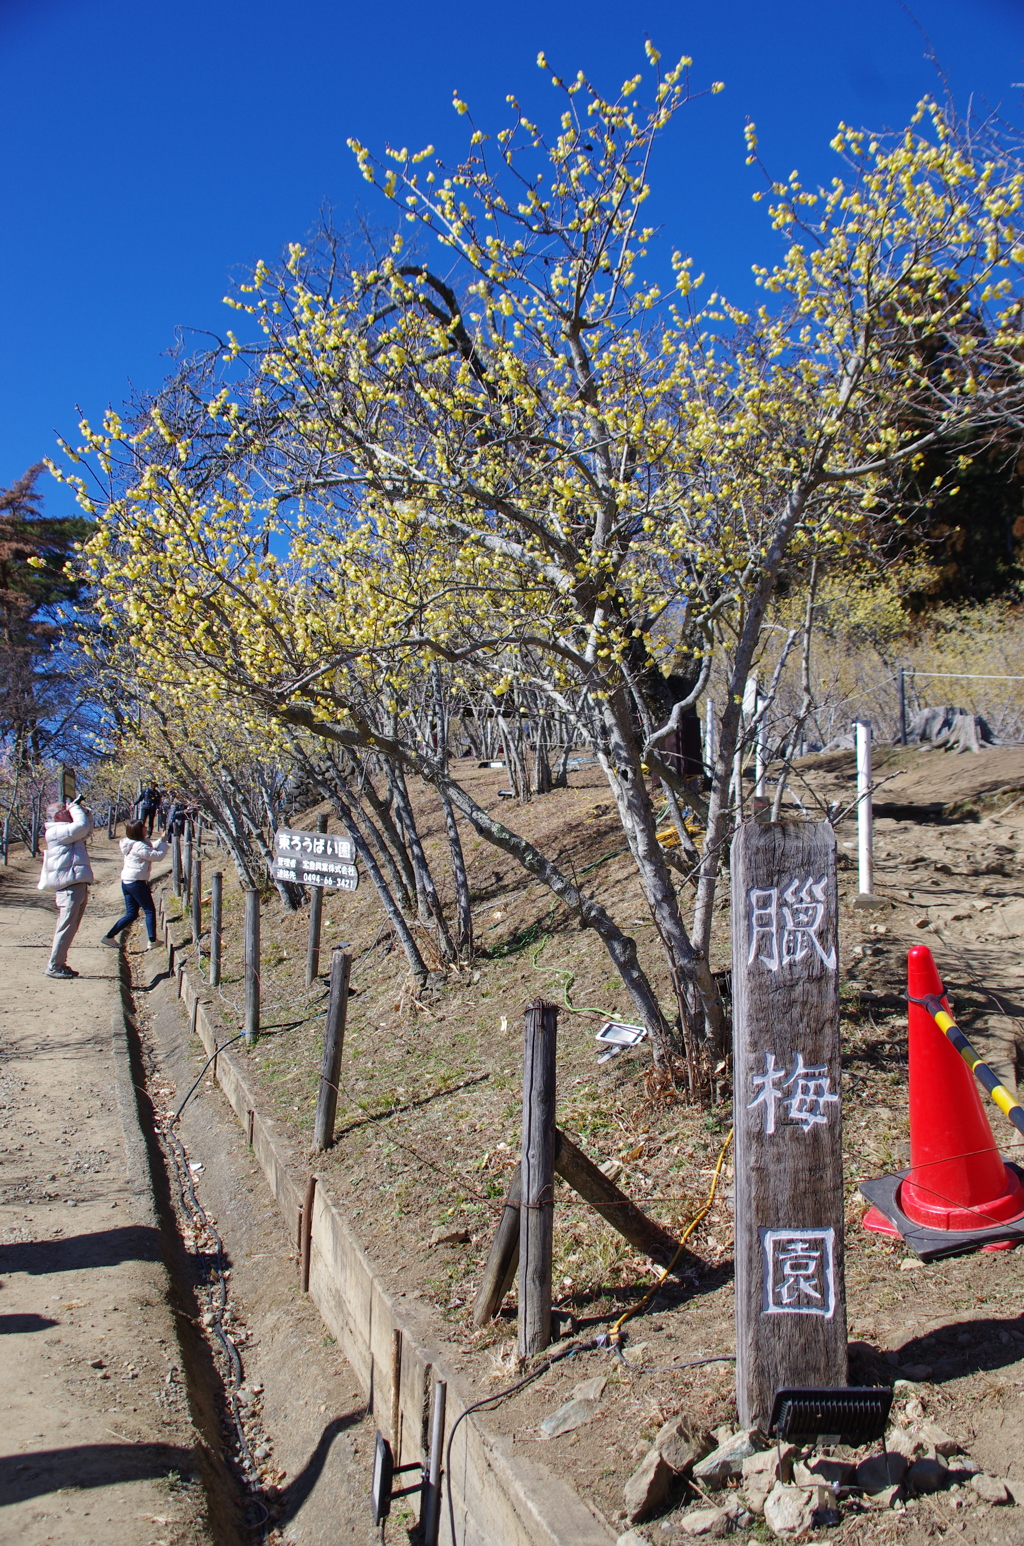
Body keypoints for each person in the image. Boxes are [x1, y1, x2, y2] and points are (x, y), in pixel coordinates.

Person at [37, 800, 95, 979]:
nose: (68, 811)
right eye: (64, 810)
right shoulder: (55, 831)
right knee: (65, 927)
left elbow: (87, 829)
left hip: (76, 885)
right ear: (56, 816)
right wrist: (76, 809)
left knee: (70, 928)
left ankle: (59, 963)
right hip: (68, 887)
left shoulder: (67, 831)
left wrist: (86, 812)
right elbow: (80, 827)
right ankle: (54, 966)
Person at [102, 820, 167, 950]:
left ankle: (109, 937)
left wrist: (161, 839)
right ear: (138, 831)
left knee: (131, 914)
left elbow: (151, 847)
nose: (146, 828)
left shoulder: (131, 843)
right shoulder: (139, 846)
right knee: (149, 910)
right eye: (143, 827)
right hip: (136, 882)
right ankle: (152, 940)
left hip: (127, 882)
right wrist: (164, 843)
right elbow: (157, 856)